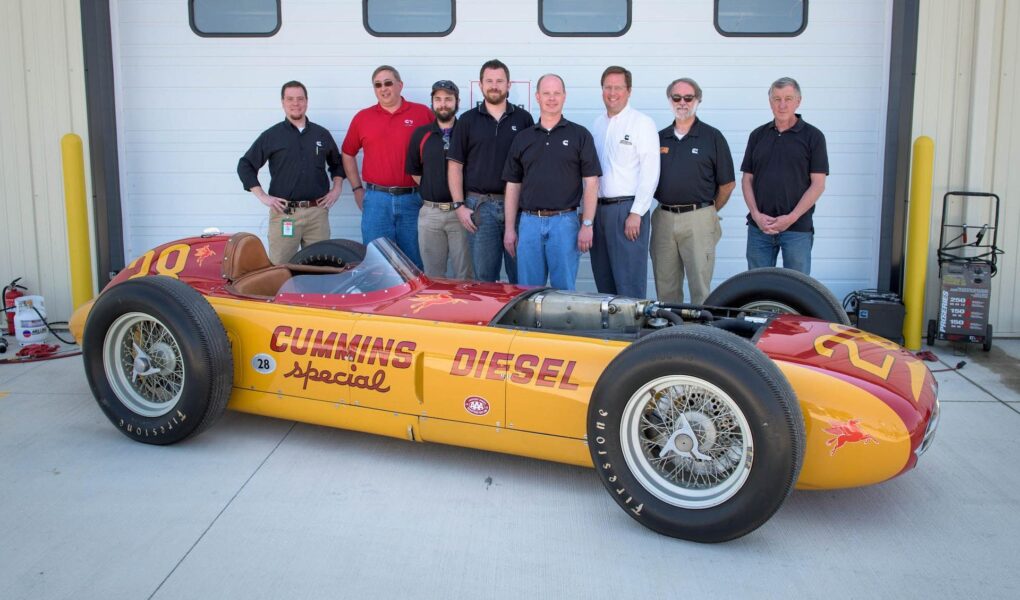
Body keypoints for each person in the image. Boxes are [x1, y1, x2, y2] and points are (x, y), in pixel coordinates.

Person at [502, 74, 601, 291]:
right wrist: (510, 228)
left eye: (557, 93)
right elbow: (512, 186)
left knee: (564, 292)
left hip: (564, 223)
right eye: (546, 93)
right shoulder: (523, 138)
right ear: (537, 97)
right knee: (527, 293)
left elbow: (591, 183)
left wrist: (587, 223)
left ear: (564, 96)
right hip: (528, 223)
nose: (552, 98)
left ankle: (561, 327)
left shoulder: (580, 135)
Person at [237, 80, 344, 265]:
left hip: (317, 214)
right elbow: (245, 165)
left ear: (307, 102)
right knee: (280, 269)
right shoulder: (271, 136)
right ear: (283, 102)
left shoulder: (321, 134)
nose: (296, 103)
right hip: (285, 214)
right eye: (290, 99)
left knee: (322, 269)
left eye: (300, 99)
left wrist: (336, 189)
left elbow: (338, 164)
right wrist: (263, 196)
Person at [447, 59, 534, 283]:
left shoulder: (523, 119)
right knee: (484, 279)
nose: (494, 85)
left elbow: (532, 166)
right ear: (481, 85)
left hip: (517, 207)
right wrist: (459, 205)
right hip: (480, 208)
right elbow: (455, 166)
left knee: (520, 277)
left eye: (499, 81)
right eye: (489, 81)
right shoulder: (467, 120)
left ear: (509, 84)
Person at [651, 77, 736, 304]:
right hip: (664, 219)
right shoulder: (658, 138)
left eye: (688, 98)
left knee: (700, 286)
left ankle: (701, 335)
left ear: (698, 100)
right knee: (666, 285)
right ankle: (671, 333)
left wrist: (709, 211)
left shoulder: (713, 137)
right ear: (669, 100)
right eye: (676, 97)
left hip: (699, 218)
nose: (682, 102)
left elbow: (727, 184)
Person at [342, 65, 434, 268]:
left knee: (416, 263)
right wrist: (357, 189)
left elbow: (438, 151)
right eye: (378, 85)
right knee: (376, 264)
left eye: (388, 83)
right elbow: (348, 153)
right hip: (376, 201)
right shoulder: (362, 118)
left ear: (400, 85)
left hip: (414, 200)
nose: (383, 89)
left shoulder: (422, 114)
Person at [741, 76, 828, 275]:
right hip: (759, 229)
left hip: (796, 229)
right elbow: (747, 179)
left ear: (798, 101)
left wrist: (791, 218)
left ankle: (789, 310)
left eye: (788, 99)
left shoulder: (813, 137)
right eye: (777, 99)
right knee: (757, 286)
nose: (782, 105)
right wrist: (755, 214)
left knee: (796, 289)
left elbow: (818, 184)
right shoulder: (757, 135)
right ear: (770, 102)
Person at [590, 66, 660, 299]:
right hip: (599, 212)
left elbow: (650, 171)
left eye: (618, 87)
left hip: (627, 212)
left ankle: (633, 333)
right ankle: (610, 333)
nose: (612, 92)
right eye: (608, 87)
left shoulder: (642, 123)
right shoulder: (597, 125)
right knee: (604, 281)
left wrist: (637, 212)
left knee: (629, 283)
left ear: (628, 91)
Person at [405, 80, 471, 279]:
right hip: (430, 214)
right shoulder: (421, 134)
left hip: (462, 214)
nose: (443, 104)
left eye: (448, 99)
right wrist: (433, 188)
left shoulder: (467, 132)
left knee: (466, 275)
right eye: (438, 99)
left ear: (457, 102)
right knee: (433, 277)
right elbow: (415, 171)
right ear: (432, 102)